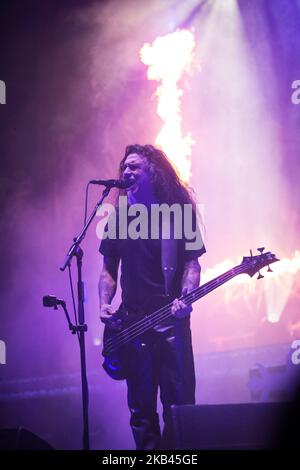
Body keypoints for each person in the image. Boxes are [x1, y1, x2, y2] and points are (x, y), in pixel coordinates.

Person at [98, 144, 206, 450]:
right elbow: (107, 270)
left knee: (180, 405)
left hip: (171, 322)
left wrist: (188, 295)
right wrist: (105, 303)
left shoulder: (178, 214)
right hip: (132, 325)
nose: (127, 172)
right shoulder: (117, 220)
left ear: (152, 173)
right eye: (125, 167)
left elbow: (192, 262)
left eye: (135, 167)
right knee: (141, 411)